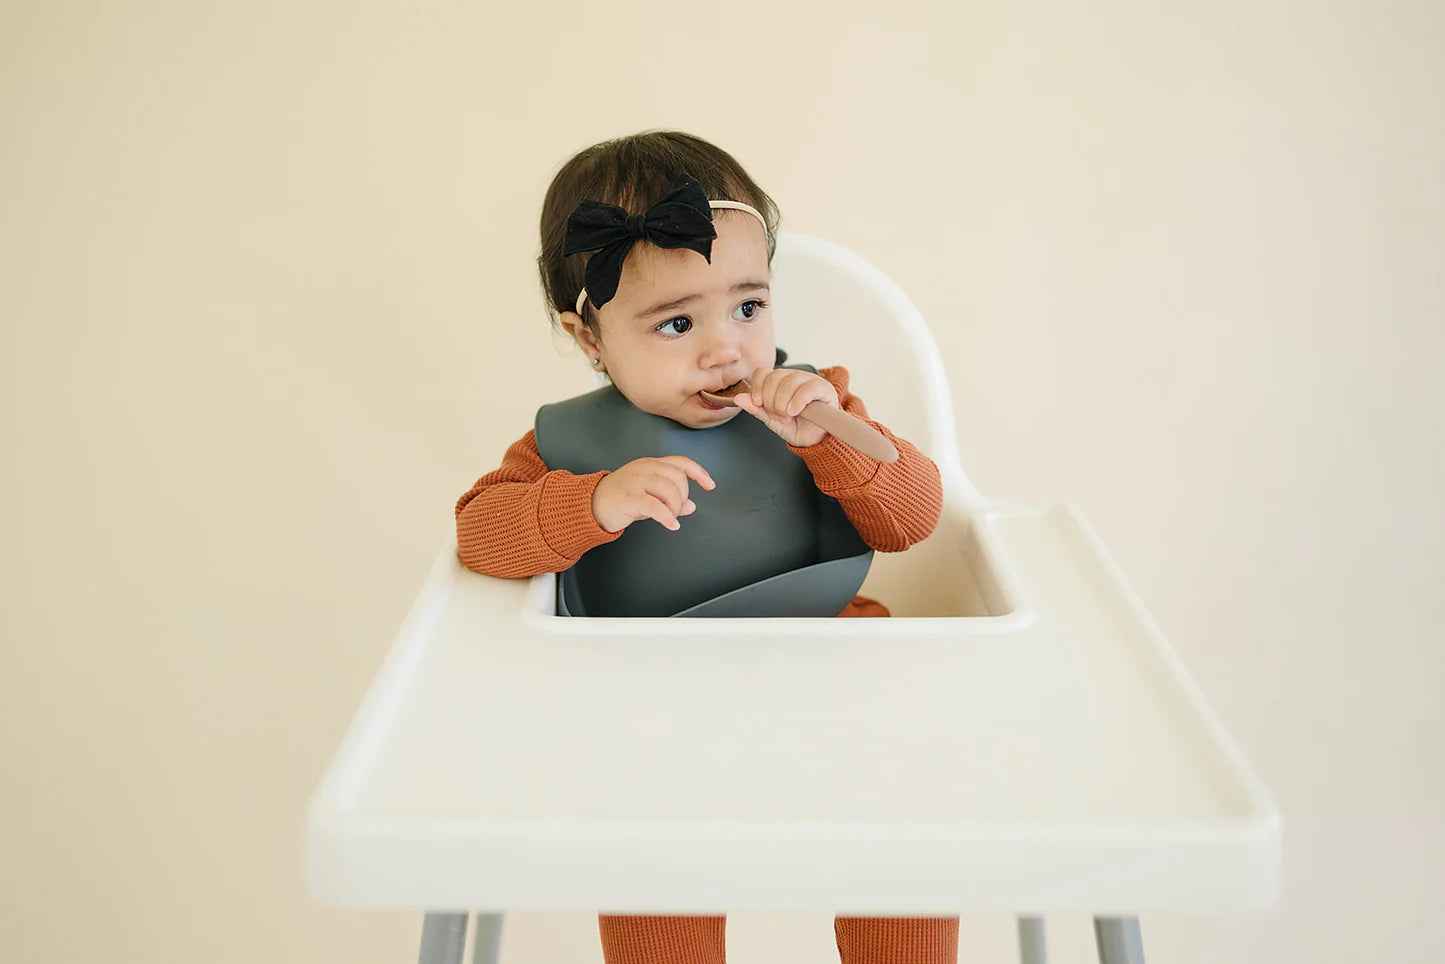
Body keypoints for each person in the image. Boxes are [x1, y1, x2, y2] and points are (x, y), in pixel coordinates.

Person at [454, 130, 955, 964]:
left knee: (905, 806)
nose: (724, 349)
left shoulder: (816, 405)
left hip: (826, 660)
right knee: (649, 846)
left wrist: (828, 441)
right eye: (678, 322)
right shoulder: (569, 445)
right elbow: (480, 533)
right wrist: (594, 503)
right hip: (653, 697)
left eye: (748, 308)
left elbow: (914, 518)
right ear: (590, 338)